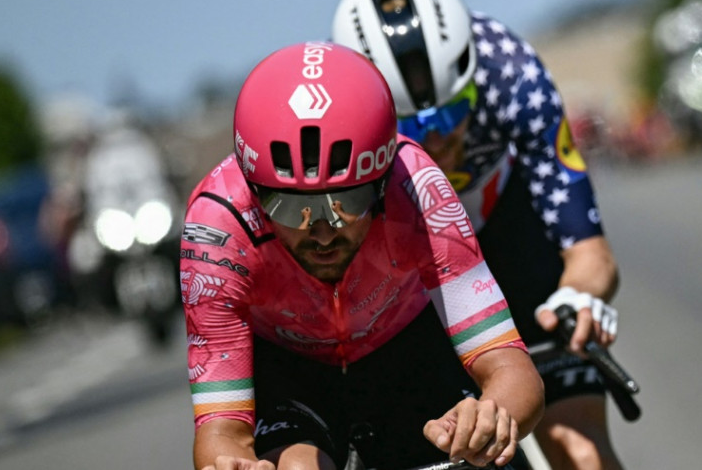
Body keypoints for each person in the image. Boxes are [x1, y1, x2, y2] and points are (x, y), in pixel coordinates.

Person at [180, 41, 544, 470]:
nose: (321, 232)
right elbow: (222, 432)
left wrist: (491, 417)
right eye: (291, 207)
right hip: (291, 372)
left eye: (346, 203)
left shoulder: (417, 187)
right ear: (254, 193)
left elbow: (512, 371)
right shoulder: (217, 226)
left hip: (407, 352)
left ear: (383, 180)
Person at [332, 0, 623, 470]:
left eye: (452, 111)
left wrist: (578, 296)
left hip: (509, 233)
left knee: (579, 449)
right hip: (413, 273)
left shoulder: (510, 72)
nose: (437, 137)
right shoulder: (339, 116)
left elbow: (591, 255)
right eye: (410, 126)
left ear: (475, 82)